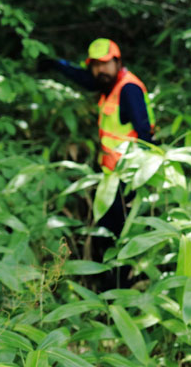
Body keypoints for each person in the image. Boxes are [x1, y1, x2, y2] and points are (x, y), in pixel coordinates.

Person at [40, 38, 155, 237]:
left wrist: (142, 176)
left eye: (105, 63)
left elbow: (145, 133)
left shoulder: (128, 89)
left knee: (122, 229)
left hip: (127, 176)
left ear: (118, 63)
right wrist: (55, 64)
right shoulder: (108, 83)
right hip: (110, 172)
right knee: (107, 228)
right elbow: (81, 76)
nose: (100, 70)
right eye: (95, 65)